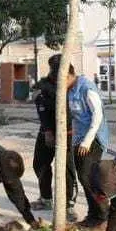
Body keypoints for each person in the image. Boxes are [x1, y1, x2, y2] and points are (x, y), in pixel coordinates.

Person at [64, 59, 111, 228]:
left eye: (62, 79)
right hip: (79, 138)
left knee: (89, 177)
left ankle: (103, 216)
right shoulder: (69, 89)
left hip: (92, 140)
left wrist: (87, 141)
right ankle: (93, 214)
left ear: (69, 75)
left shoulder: (87, 88)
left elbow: (97, 115)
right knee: (84, 178)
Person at [30, 55, 77, 220]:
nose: (54, 72)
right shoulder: (45, 85)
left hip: (68, 132)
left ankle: (68, 206)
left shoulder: (73, 85)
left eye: (57, 68)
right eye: (53, 68)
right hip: (46, 130)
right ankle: (46, 198)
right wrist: (48, 131)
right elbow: (40, 101)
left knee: (67, 169)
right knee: (40, 163)